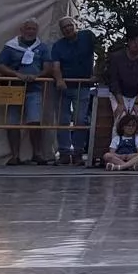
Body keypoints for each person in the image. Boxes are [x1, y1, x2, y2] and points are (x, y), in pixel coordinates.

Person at [0, 20, 51, 166]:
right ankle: (15, 155)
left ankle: (37, 153)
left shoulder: (42, 47)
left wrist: (37, 75)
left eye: (33, 29)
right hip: (13, 88)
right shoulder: (10, 46)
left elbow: (47, 67)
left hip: (34, 89)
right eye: (28, 28)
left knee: (34, 121)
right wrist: (16, 74)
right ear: (22, 29)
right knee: (13, 122)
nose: (30, 31)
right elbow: (0, 65)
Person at [51, 17, 96, 167]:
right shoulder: (58, 46)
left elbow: (100, 51)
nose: (68, 29)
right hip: (64, 86)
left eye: (70, 25)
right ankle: (64, 153)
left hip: (82, 86)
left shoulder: (87, 36)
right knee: (63, 120)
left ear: (75, 25)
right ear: (61, 31)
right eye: (64, 28)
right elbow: (55, 66)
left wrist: (97, 73)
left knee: (80, 120)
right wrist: (59, 79)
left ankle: (77, 152)